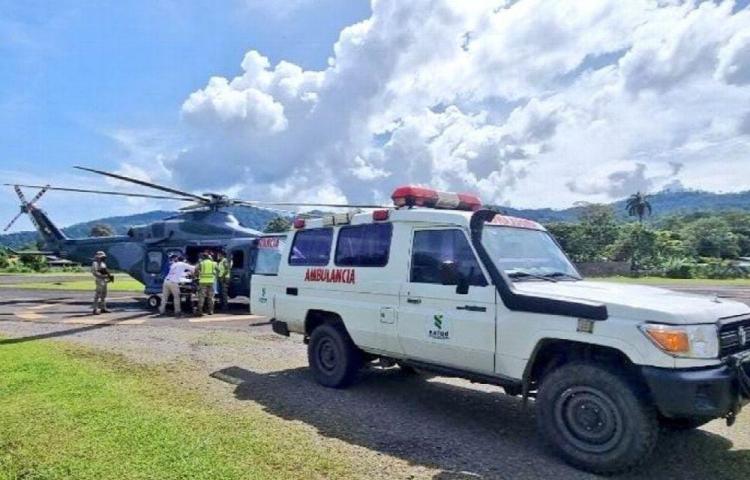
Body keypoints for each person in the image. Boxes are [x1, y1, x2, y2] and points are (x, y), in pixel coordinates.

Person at [195, 251, 217, 316]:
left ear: (203, 257)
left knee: (201, 297)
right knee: (211, 297)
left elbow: (196, 270)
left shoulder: (201, 263)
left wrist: (197, 275)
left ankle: (200, 311)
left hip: (202, 281)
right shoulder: (214, 263)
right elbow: (218, 271)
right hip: (211, 281)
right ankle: (211, 311)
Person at [91, 251, 111, 315]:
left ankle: (103, 308)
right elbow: (95, 273)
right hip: (99, 280)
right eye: (101, 257)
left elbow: (105, 271)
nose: (103, 258)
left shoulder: (103, 264)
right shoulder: (95, 263)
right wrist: (102, 276)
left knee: (104, 295)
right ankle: (95, 309)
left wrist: (108, 277)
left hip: (104, 280)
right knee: (98, 295)